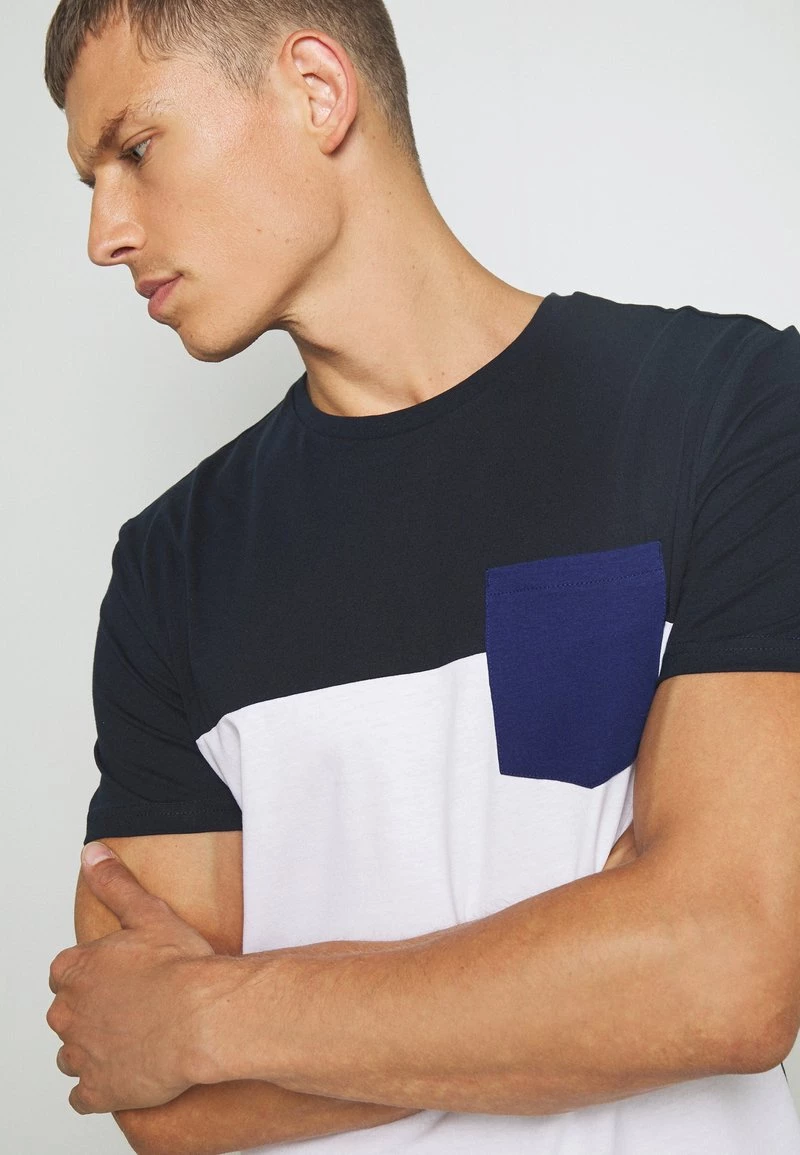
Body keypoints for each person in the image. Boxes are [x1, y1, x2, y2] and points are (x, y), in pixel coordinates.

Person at [43, 2, 800, 1154]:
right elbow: (148, 1090)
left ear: (315, 90)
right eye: (91, 180)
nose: (104, 234)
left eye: (136, 149)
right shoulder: (169, 565)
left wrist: (202, 1017)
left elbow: (726, 975)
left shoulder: (732, 410)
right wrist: (594, 988)